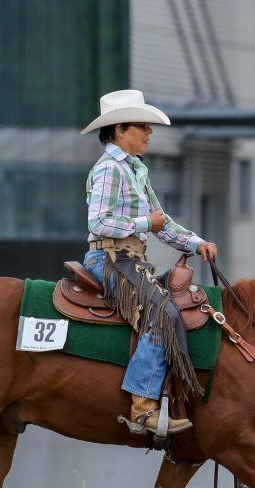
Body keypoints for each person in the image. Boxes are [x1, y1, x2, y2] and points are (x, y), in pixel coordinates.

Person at [80, 90, 218, 435]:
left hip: (129, 259)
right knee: (162, 314)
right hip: (109, 258)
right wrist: (145, 225)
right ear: (119, 130)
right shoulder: (110, 169)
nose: (149, 132)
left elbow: (163, 223)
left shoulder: (136, 170)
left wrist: (197, 243)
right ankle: (142, 408)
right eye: (142, 126)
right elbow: (99, 222)